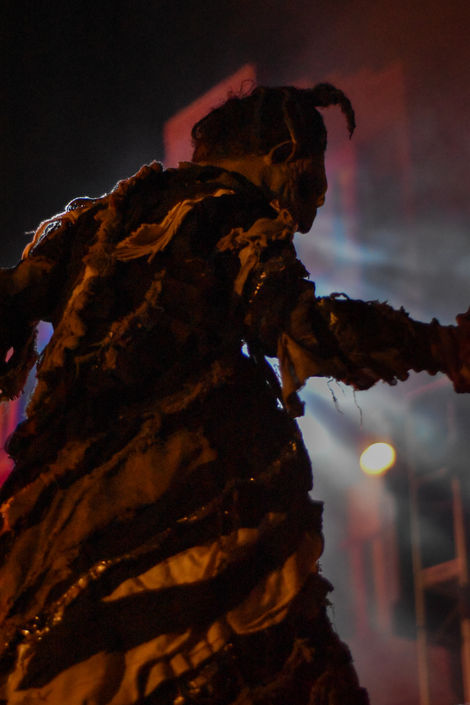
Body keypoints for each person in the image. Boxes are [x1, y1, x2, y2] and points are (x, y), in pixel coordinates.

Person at [0, 84, 468, 705]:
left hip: (56, 540)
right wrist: (442, 346)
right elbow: (303, 326)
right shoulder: (229, 211)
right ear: (283, 153)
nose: (314, 206)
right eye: (312, 180)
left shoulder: (96, 223)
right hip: (187, 515)